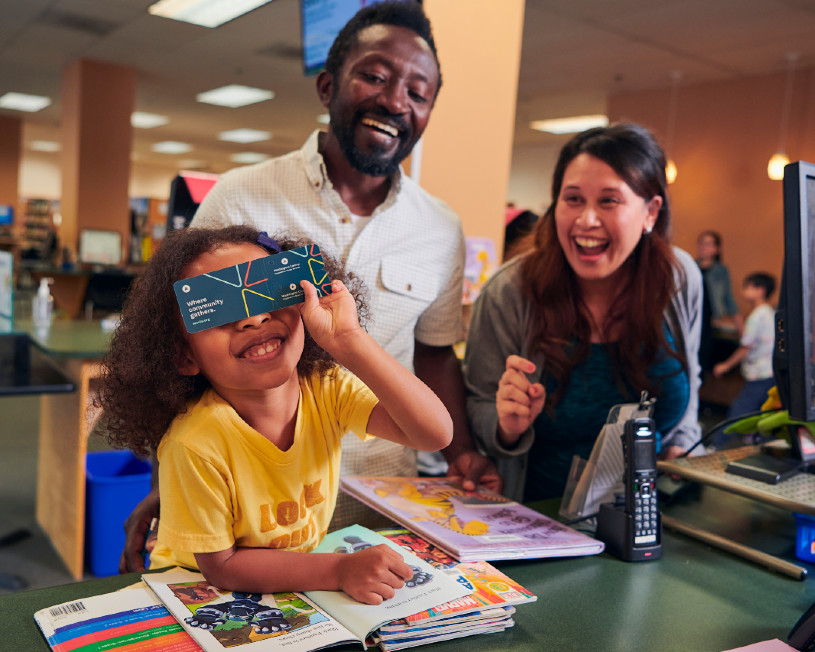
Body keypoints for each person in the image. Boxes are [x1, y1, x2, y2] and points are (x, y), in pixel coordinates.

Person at [119, 1, 499, 573]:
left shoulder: (441, 228)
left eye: (418, 93)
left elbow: (436, 351)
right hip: (244, 503)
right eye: (374, 75)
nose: (396, 101)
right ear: (328, 86)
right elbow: (185, 335)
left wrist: (463, 451)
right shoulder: (238, 195)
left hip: (381, 490)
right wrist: (178, 489)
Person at [97, 225, 452, 603]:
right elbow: (221, 567)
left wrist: (349, 341)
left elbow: (433, 434)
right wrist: (338, 569)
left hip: (290, 580)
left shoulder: (327, 388)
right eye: (219, 311)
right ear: (184, 356)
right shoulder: (195, 443)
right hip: (194, 588)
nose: (253, 318)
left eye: (267, 293)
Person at [463, 123, 703, 503]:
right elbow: (478, 404)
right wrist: (507, 426)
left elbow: (690, 378)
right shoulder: (509, 292)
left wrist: (684, 447)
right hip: (540, 521)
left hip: (657, 515)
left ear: (650, 212)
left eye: (609, 201)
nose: (586, 220)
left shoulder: (678, 278)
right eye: (572, 198)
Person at [712, 272, 776, 444]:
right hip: (770, 373)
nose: (743, 290)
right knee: (763, 416)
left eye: (748, 287)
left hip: (758, 374)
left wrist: (725, 365)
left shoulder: (756, 316)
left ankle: (716, 446)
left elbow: (745, 347)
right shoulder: (770, 312)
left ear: (760, 290)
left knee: (737, 413)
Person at [696, 230, 742, 371]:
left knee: (705, 361)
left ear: (717, 248)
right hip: (693, 319)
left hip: (710, 322)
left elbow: (728, 299)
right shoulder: (690, 267)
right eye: (702, 243)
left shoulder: (721, 271)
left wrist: (741, 328)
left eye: (708, 244)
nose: (704, 247)